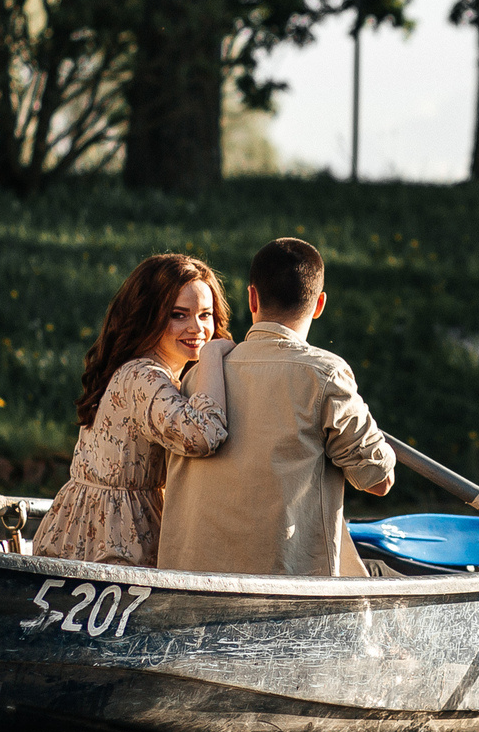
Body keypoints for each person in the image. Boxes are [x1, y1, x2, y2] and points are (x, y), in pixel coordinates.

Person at [157, 236, 395, 576]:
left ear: (251, 296)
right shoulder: (327, 375)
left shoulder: (200, 376)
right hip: (281, 584)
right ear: (319, 305)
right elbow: (378, 481)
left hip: (189, 578)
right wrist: (379, 449)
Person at [31, 253, 235, 568]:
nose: (197, 327)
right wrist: (213, 354)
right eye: (178, 315)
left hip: (96, 525)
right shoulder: (143, 376)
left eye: (205, 314)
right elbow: (201, 435)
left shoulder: (146, 369)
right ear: (147, 316)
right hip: (118, 538)